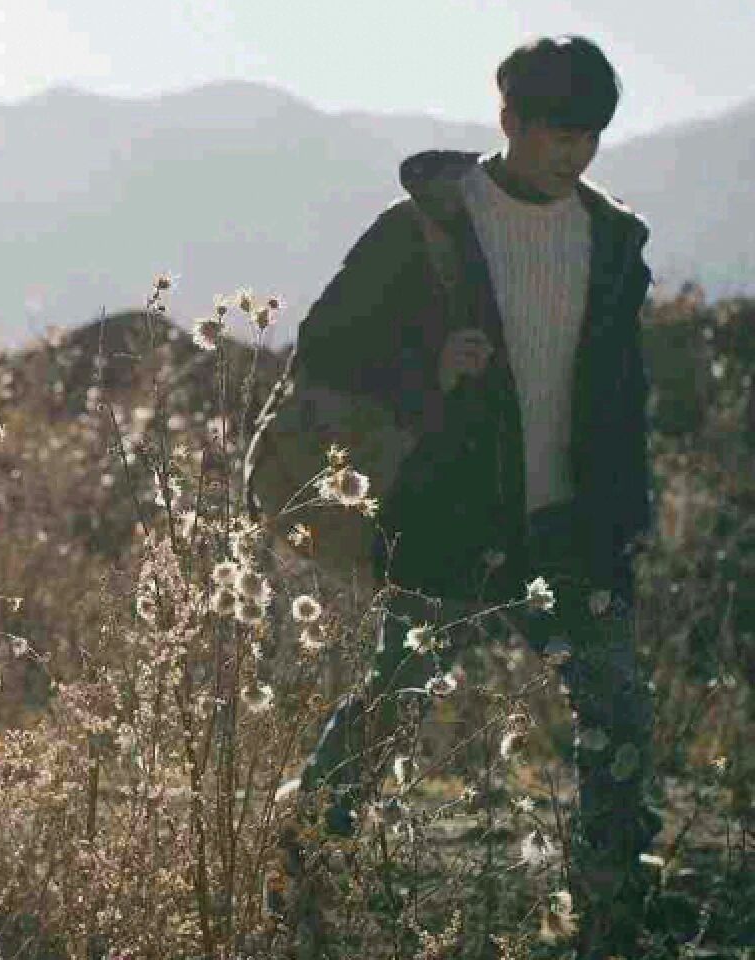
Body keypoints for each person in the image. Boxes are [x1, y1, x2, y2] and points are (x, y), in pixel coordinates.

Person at [245, 34, 665, 959]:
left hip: (574, 529)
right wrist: (425, 368)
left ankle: (614, 919)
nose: (575, 152)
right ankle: (296, 879)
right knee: (394, 697)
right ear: (509, 119)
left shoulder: (612, 240)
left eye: (590, 135)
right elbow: (326, 346)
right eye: (558, 132)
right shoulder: (427, 227)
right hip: (452, 520)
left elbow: (622, 391)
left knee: (618, 715)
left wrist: (629, 514)